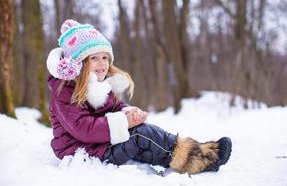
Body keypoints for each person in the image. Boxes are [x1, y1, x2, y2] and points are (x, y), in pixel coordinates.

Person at [46, 19, 232, 175]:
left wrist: (128, 112)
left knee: (143, 135)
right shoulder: (64, 90)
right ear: (78, 64)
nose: (102, 63)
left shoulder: (98, 84)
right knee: (141, 135)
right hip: (81, 153)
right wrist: (124, 122)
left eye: (105, 57)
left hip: (98, 144)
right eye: (94, 58)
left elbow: (115, 106)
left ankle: (192, 158)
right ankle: (198, 159)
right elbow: (83, 129)